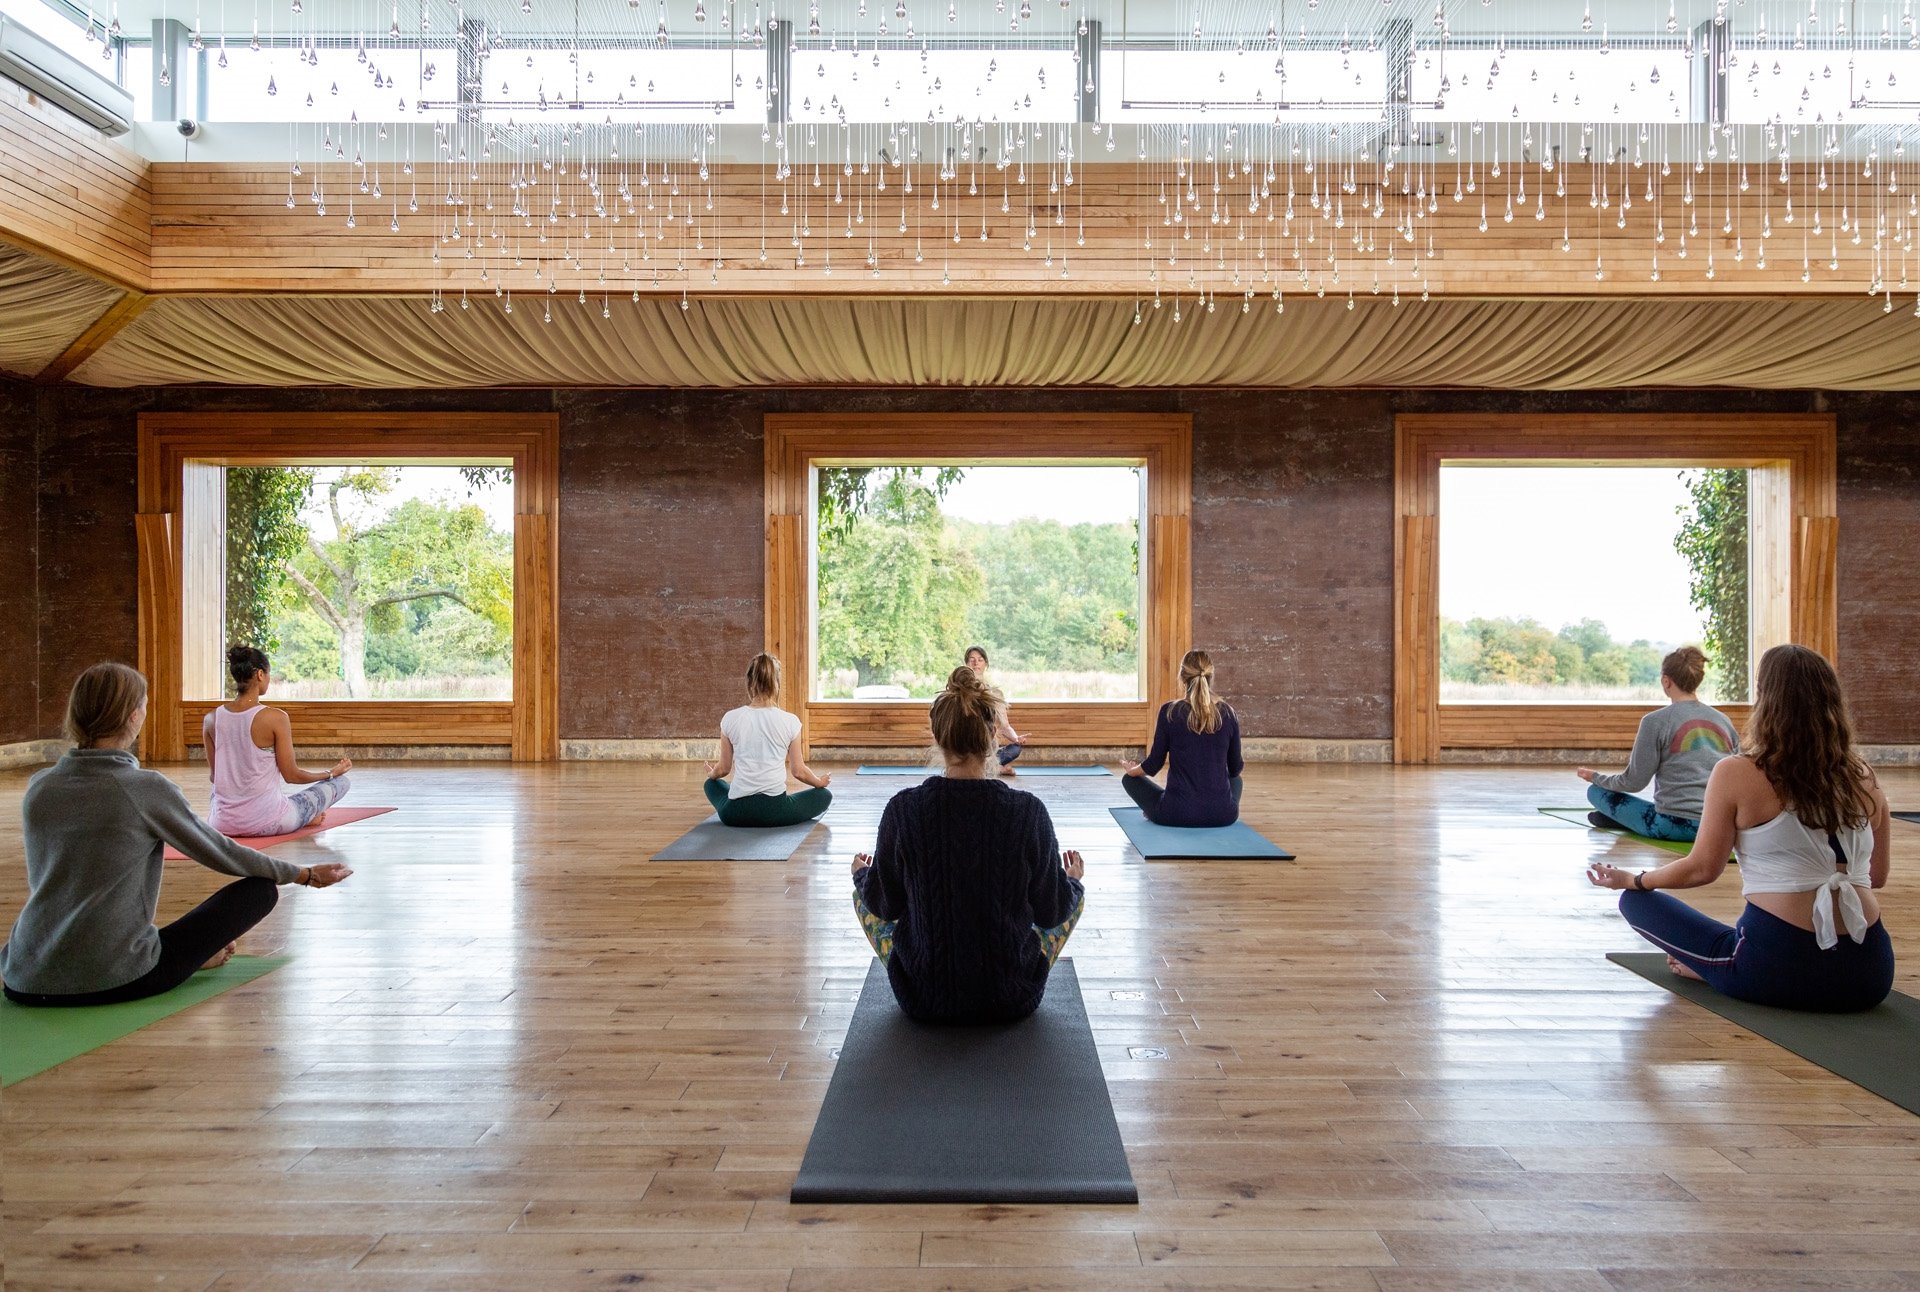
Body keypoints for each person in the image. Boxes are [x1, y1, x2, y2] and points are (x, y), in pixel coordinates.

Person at [2, 662, 352, 1007]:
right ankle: (186, 959)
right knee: (259, 891)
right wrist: (302, 875)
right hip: (112, 976)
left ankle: (188, 956)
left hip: (24, 975)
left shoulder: (39, 787)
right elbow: (221, 853)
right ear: (135, 717)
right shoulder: (144, 789)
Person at [1587, 645, 1894, 1013]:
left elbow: (1702, 869)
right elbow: (1875, 877)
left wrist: (1634, 880)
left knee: (1636, 903)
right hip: (1870, 974)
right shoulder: (1864, 777)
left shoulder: (1738, 772)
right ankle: (1717, 963)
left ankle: (1715, 967)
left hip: (1777, 968)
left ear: (1766, 700)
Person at [851, 667, 1085, 1023]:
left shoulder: (904, 810)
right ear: (994, 735)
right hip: (1012, 997)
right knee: (1074, 895)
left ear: (937, 735)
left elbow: (885, 905)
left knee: (861, 892)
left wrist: (863, 876)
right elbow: (1052, 912)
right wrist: (1071, 882)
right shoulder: (1028, 813)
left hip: (924, 998)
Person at [1577, 645, 1738, 843]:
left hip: (1671, 826)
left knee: (1595, 792)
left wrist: (1595, 777)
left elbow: (1633, 782)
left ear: (1666, 681)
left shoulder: (1654, 721)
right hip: (1717, 827)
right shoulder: (1724, 721)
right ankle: (1622, 820)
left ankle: (1624, 820)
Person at [204, 645, 353, 839]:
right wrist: (331, 773)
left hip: (221, 824)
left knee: (220, 792)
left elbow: (216, 778)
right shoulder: (276, 718)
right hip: (269, 822)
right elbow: (292, 775)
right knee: (343, 783)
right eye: (268, 674)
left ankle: (293, 813)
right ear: (259, 674)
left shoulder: (211, 718)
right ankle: (304, 817)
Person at [703, 653, 832, 827]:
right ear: (776, 684)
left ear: (749, 683)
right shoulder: (790, 721)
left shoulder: (730, 718)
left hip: (734, 814)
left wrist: (712, 774)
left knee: (711, 785)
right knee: (824, 796)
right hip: (775, 811)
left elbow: (724, 768)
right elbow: (798, 771)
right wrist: (819, 782)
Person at [1121, 649, 1244, 828]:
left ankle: (1155, 809)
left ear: (1182, 676)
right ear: (1211, 676)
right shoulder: (1228, 713)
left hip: (1175, 814)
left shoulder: (1169, 711)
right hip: (1223, 815)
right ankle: (1208, 806)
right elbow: (1235, 769)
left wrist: (1132, 771)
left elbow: (1154, 765)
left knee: (1128, 780)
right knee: (1236, 781)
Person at [964, 645, 1023, 775]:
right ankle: (992, 768)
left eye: (980, 660)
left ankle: (987, 767)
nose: (976, 663)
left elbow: (1005, 726)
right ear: (966, 664)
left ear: (986, 663)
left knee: (1015, 748)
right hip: (965, 746)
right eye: (972, 659)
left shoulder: (995, 693)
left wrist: (1016, 738)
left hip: (986, 749)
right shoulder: (960, 691)